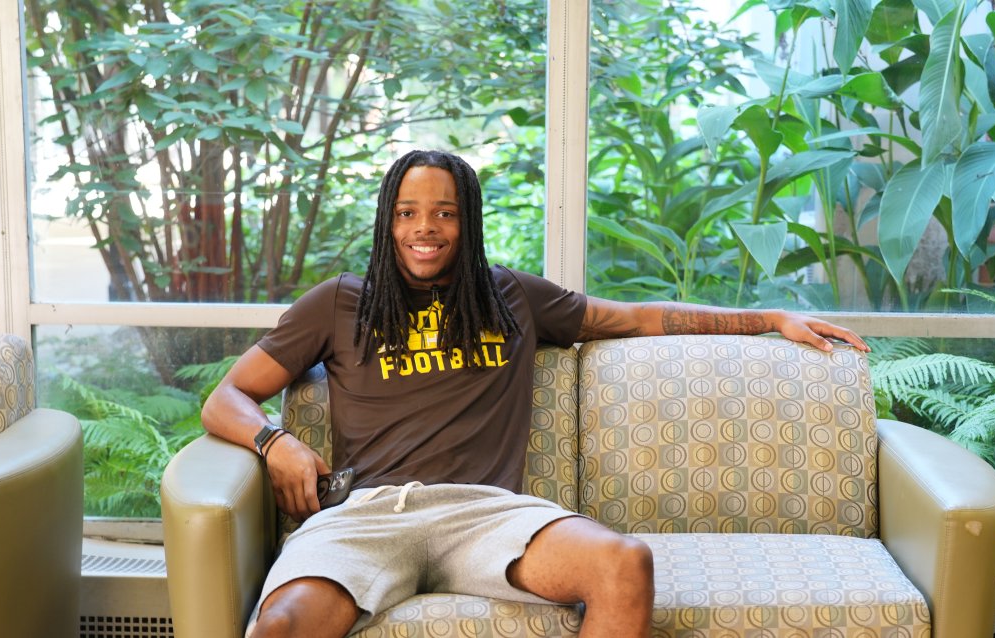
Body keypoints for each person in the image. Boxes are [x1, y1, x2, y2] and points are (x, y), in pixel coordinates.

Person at [201, 150, 871, 638]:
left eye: (443, 212)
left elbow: (640, 318)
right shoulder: (342, 302)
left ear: (469, 221)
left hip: (487, 513)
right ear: (389, 220)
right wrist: (273, 440)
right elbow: (226, 395)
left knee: (624, 564)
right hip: (370, 513)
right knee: (282, 626)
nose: (423, 228)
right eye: (407, 212)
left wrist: (771, 319)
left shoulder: (514, 296)